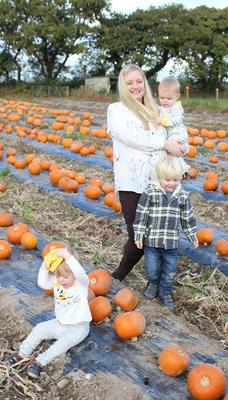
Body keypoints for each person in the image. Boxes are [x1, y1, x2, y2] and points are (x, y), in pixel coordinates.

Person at [107, 64, 182, 281]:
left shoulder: (157, 111)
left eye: (139, 81)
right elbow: (133, 138)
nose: (135, 86)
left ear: (145, 83)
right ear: (123, 85)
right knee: (138, 237)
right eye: (129, 82)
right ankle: (117, 276)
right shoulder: (116, 110)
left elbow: (177, 131)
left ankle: (157, 279)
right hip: (131, 183)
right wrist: (165, 142)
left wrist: (180, 143)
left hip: (157, 183)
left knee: (157, 236)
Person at [4, 248, 91, 378]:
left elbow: (81, 274)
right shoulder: (57, 283)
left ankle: (40, 362)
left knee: (63, 343)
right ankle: (22, 353)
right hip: (59, 324)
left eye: (66, 276)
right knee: (39, 328)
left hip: (78, 327)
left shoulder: (80, 284)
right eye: (58, 276)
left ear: (74, 273)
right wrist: (45, 265)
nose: (61, 280)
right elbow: (42, 282)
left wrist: (67, 256)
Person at [133, 156, 198, 308]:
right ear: (159, 177)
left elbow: (187, 218)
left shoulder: (182, 196)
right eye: (167, 180)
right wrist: (139, 234)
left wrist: (191, 235)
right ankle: (154, 284)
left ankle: (166, 292)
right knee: (152, 268)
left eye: (175, 180)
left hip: (171, 244)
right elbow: (142, 214)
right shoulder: (150, 192)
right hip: (152, 241)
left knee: (169, 271)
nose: (172, 183)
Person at [156, 78, 190, 176]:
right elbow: (159, 110)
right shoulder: (164, 106)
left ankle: (183, 170)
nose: (165, 101)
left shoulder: (177, 108)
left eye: (169, 98)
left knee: (172, 153)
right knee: (172, 154)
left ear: (177, 96)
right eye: (162, 98)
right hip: (170, 135)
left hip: (178, 135)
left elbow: (177, 120)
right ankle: (178, 169)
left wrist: (163, 121)